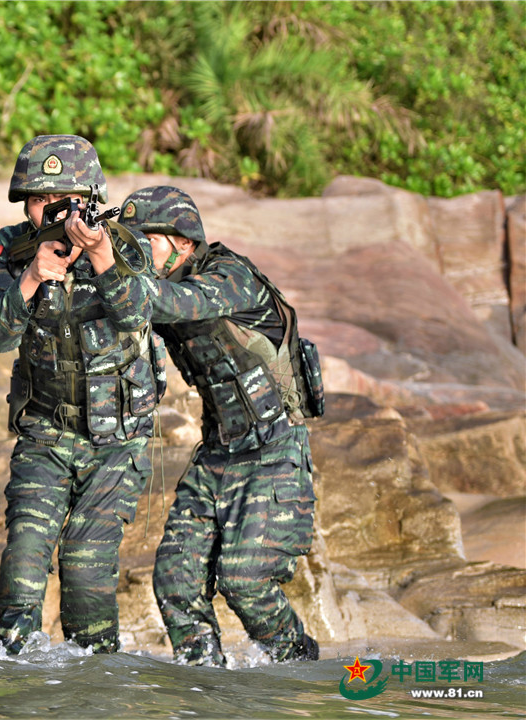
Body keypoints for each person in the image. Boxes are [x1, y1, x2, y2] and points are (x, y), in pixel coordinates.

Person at [118, 185, 320, 666]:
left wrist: (114, 269)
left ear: (184, 243)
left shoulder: (231, 277)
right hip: (218, 453)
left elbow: (175, 304)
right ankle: (206, 690)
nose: (137, 251)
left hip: (273, 450)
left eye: (146, 240)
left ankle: (299, 670)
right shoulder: (155, 283)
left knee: (246, 582)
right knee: (175, 579)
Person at [0, 135, 159, 654]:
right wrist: (32, 278)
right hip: (44, 433)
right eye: (39, 200)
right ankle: (12, 675)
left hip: (117, 440)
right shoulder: (11, 249)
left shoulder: (126, 242)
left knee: (85, 566)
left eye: (64, 201)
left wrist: (101, 255)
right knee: (24, 559)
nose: (52, 210)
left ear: (89, 198)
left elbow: (138, 318)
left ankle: (95, 683)